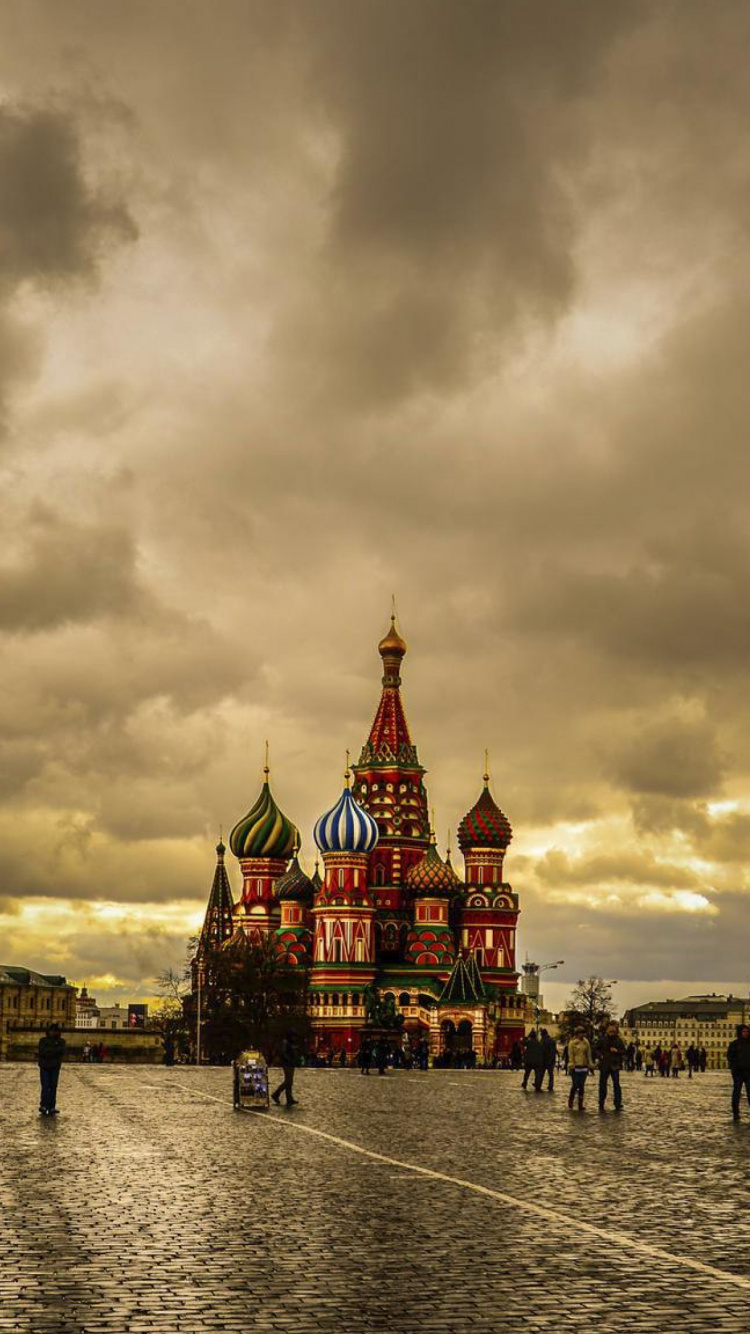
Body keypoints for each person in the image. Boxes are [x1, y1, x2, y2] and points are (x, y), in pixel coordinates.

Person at [38, 1022, 66, 1115]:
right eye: (52, 1031)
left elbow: (62, 1051)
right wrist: (54, 1050)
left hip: (54, 1066)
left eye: (55, 1031)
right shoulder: (43, 1041)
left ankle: (51, 1106)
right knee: (45, 1086)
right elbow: (43, 1052)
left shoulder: (61, 1041)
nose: (53, 1033)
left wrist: (50, 1050)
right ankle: (44, 1105)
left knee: (53, 1086)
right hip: (45, 1066)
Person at [597, 1020, 626, 1112]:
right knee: (602, 1085)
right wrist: (600, 1055)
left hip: (615, 1065)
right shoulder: (602, 1040)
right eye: (610, 1031)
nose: (611, 1033)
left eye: (613, 1031)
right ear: (607, 1031)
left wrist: (617, 1051)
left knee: (616, 1085)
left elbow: (624, 1051)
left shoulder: (618, 1040)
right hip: (605, 1064)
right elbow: (595, 1049)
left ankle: (617, 1103)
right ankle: (601, 1102)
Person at [567, 1025, 594, 1110]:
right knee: (575, 1085)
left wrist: (590, 1063)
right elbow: (570, 1054)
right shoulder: (572, 1043)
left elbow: (588, 1053)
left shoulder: (586, 1042)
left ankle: (580, 1104)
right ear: (577, 1034)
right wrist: (571, 1064)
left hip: (584, 1066)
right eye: (581, 1033)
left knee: (581, 1085)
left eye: (583, 1033)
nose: (583, 1035)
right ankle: (571, 1100)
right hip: (575, 1067)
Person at [728, 1024, 750, 1122]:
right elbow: (730, 1057)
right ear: (740, 1032)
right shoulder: (734, 1044)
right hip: (738, 1073)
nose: (746, 1033)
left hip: (749, 1072)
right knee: (736, 1093)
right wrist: (734, 1068)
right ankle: (735, 1113)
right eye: (744, 1032)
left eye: (747, 1031)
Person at [271, 1030, 298, 1106]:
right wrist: (289, 1059)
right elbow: (284, 1052)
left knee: (289, 1081)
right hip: (287, 1063)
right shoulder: (286, 1042)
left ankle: (289, 1098)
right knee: (288, 1081)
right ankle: (276, 1094)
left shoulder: (290, 1043)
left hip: (291, 1063)